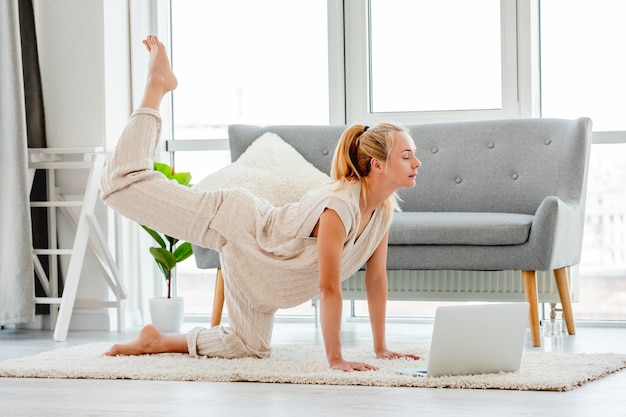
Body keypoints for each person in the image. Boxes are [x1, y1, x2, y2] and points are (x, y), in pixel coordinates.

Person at [101, 35, 422, 372]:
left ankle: (156, 342)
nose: (417, 163)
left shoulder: (382, 213)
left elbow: (376, 280)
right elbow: (327, 287)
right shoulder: (337, 208)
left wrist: (382, 347)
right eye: (407, 155)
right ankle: (156, 85)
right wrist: (336, 359)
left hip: (260, 273)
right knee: (120, 185)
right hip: (238, 223)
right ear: (378, 164)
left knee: (247, 347)